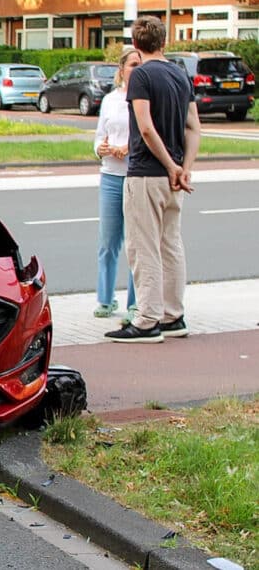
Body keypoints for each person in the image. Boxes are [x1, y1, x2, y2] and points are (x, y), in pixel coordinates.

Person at [104, 15, 200, 344]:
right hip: (174, 181)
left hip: (146, 174)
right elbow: (193, 127)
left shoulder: (142, 75)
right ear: (164, 42)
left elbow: (145, 128)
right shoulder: (180, 74)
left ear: (136, 44)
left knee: (143, 247)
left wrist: (170, 166)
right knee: (171, 245)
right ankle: (174, 316)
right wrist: (183, 167)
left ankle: (147, 321)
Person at [92, 49, 141, 320]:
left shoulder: (146, 99)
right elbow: (99, 135)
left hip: (135, 175)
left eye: (140, 64)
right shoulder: (111, 100)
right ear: (121, 69)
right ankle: (105, 299)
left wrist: (128, 149)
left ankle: (135, 303)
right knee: (108, 241)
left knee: (135, 242)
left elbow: (147, 135)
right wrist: (101, 148)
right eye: (133, 64)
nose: (137, 68)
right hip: (110, 175)